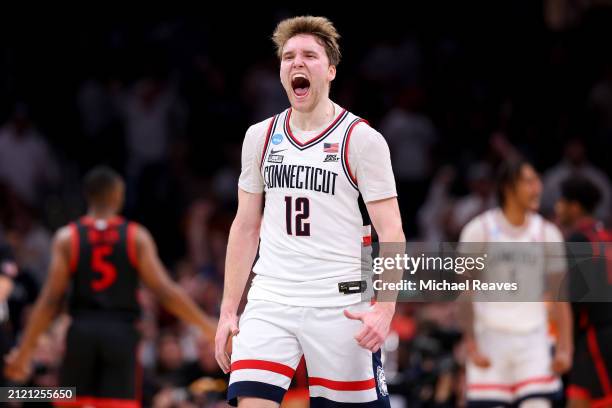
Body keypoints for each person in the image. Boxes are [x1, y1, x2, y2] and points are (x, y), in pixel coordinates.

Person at [214, 16, 404, 407]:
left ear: (331, 70)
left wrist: (385, 309)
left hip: (342, 301)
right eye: (288, 57)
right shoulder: (260, 136)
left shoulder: (362, 140)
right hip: (271, 296)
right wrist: (229, 308)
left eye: (309, 56)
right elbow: (246, 225)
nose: (297, 63)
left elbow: (393, 233)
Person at [4, 166, 215, 407]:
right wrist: (207, 326)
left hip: (82, 331)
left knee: (73, 400)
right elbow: (166, 292)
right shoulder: (135, 236)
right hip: (121, 335)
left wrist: (24, 352)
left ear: (87, 196)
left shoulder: (68, 237)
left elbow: (50, 300)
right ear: (118, 196)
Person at [459, 159, 572, 407]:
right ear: (509, 187)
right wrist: (470, 343)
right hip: (489, 339)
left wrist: (565, 348)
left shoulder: (547, 233)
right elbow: (464, 292)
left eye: (538, 180)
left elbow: (560, 296)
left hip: (534, 340)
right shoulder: (479, 230)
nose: (538, 187)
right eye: (530, 181)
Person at [555, 176, 612, 408]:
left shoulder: (578, 240)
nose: (557, 206)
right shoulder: (607, 236)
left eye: (562, 201)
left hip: (595, 339)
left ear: (575, 206)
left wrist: (562, 342)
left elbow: (574, 301)